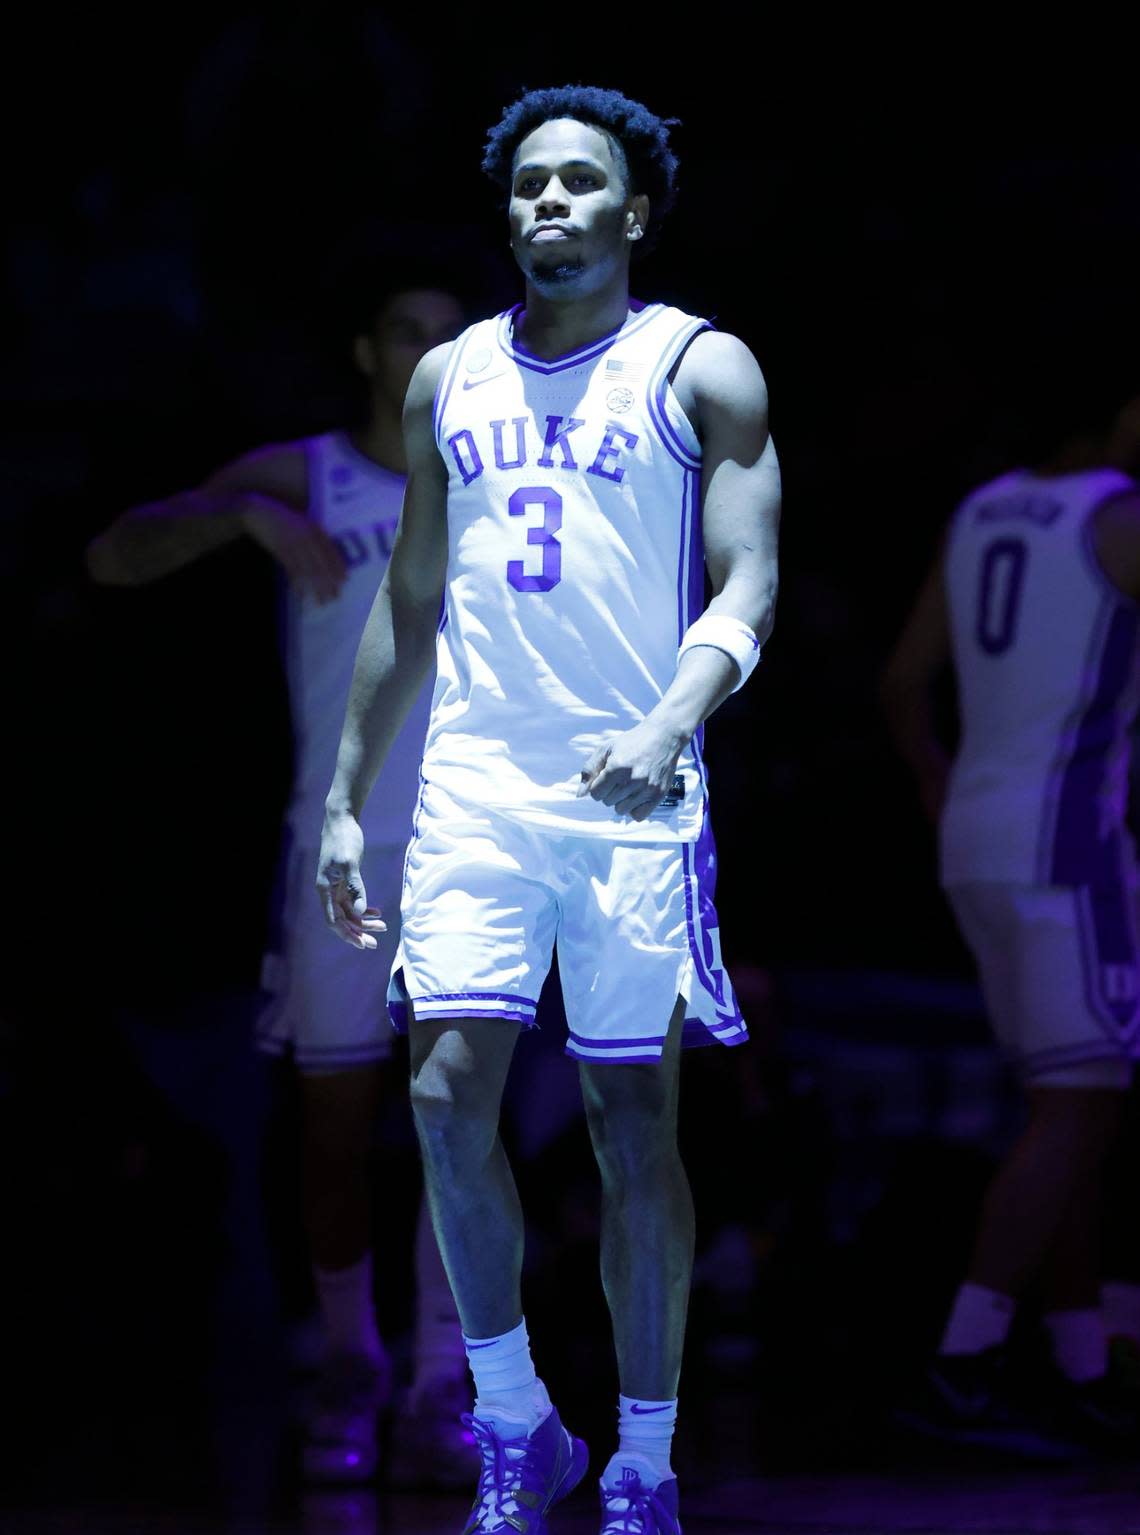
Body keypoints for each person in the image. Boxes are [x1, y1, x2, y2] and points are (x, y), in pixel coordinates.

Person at [316, 85, 780, 1535]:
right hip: (475, 790)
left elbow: (751, 580)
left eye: (579, 184)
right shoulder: (447, 376)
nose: (549, 206)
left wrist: (670, 718)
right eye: (527, 187)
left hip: (636, 790)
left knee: (629, 1118)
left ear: (635, 209)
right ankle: (517, 1422)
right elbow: (408, 593)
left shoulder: (700, 367)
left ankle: (646, 1453)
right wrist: (344, 797)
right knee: (447, 1093)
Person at [85, 265, 477, 1488]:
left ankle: (440, 1381)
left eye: (449, 340)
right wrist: (239, 516)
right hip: (343, 846)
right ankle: (353, 1358)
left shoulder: (503, 479)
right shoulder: (310, 471)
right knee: (335, 1125)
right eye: (409, 332)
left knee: (459, 1124)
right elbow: (114, 556)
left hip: (474, 846)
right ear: (368, 349)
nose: (427, 354)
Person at [881, 377, 1140, 1453]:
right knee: (1080, 1106)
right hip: (1067, 841)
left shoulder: (982, 506)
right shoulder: (1119, 512)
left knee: (1059, 1101)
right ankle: (963, 1361)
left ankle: (1085, 1366)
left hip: (978, 835)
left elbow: (901, 682)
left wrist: (941, 780)